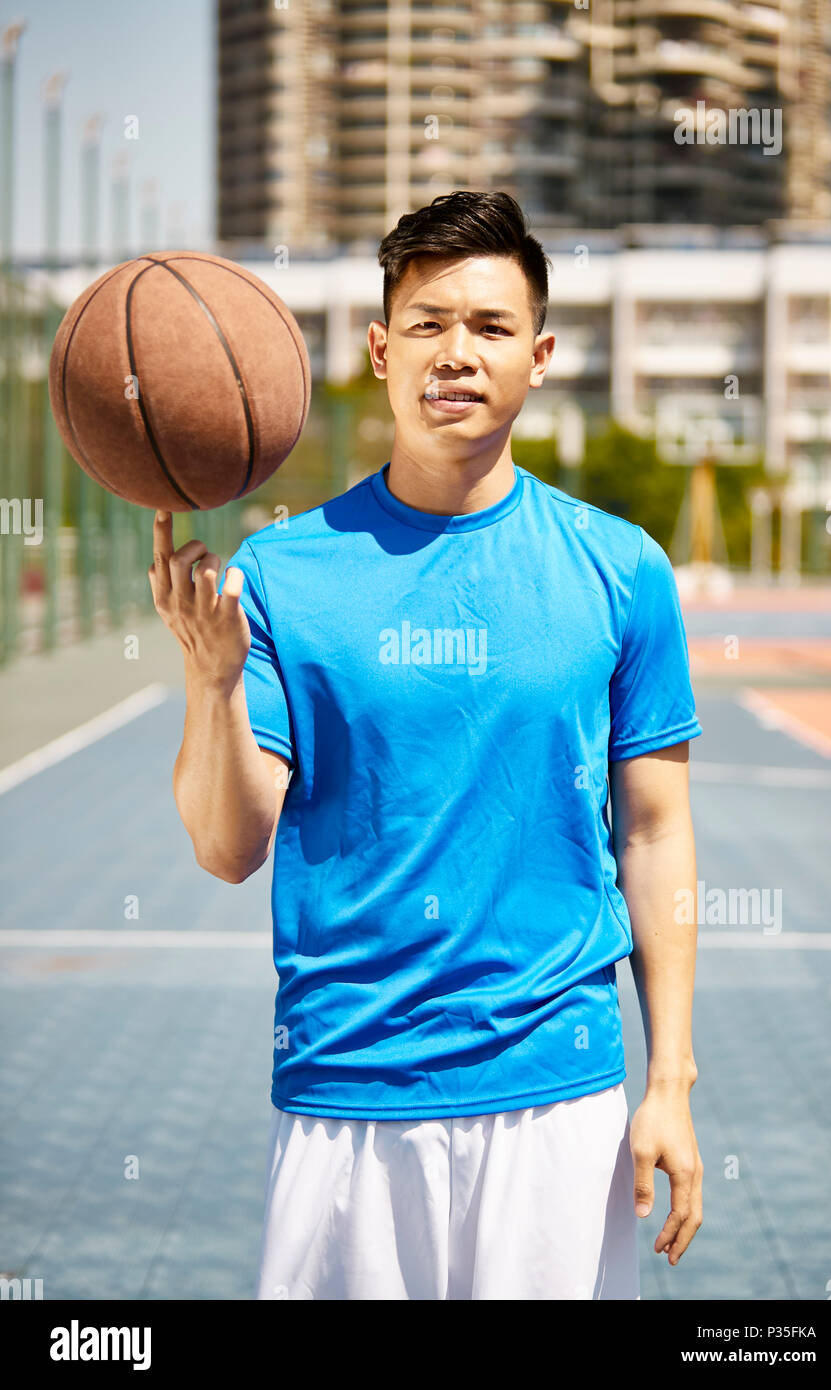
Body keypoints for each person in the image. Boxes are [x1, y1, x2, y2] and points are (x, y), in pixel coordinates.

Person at [148, 189, 704, 1301]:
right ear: (378, 348)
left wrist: (671, 1079)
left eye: (491, 327)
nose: (457, 353)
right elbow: (225, 846)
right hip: (348, 1091)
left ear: (539, 356)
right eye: (428, 324)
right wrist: (212, 685)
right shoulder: (284, 575)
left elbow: (654, 829)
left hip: (558, 1093)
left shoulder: (620, 566)